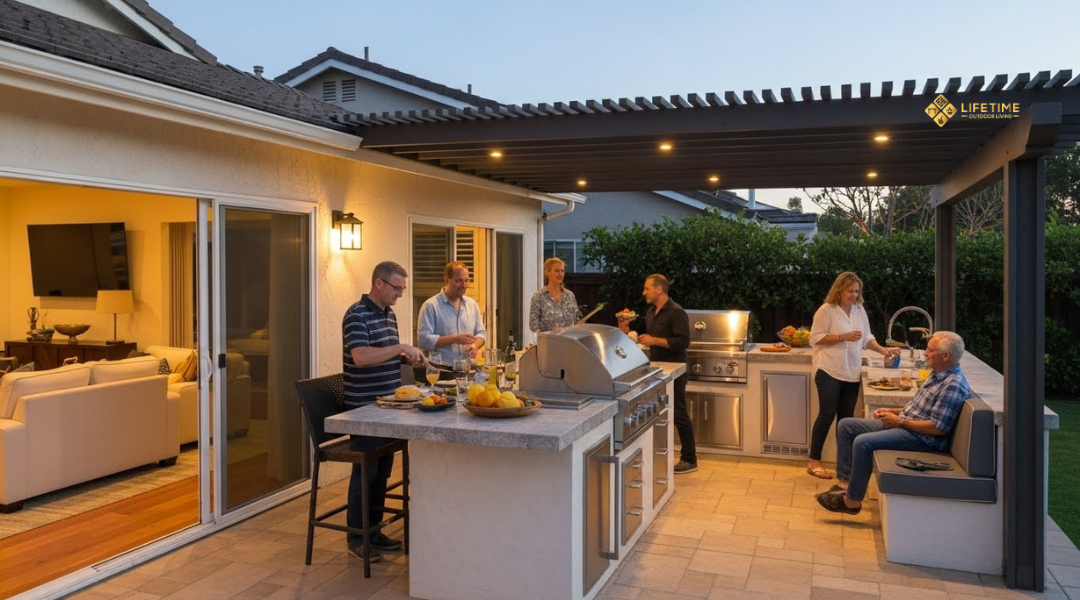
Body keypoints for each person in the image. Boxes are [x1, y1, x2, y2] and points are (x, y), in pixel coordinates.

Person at [816, 331, 970, 515]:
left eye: (930, 350)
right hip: (908, 425)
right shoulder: (937, 374)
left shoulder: (953, 384)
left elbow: (938, 428)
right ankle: (846, 484)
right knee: (846, 426)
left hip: (922, 438)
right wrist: (892, 412)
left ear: (946, 356)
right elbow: (917, 408)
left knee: (862, 442)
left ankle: (852, 501)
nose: (925, 353)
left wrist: (899, 422)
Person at [342, 261, 425, 563]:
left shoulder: (388, 315)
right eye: (397, 288)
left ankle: (373, 532)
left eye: (403, 288)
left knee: (382, 473)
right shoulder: (356, 315)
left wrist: (407, 359)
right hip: (364, 408)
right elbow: (361, 357)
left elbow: (385, 356)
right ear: (379, 283)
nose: (400, 294)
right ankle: (356, 537)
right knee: (366, 472)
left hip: (388, 406)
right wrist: (400, 345)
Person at [806, 271, 900, 480]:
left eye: (857, 291)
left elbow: (866, 338)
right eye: (850, 291)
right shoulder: (827, 311)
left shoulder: (859, 310)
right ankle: (814, 462)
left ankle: (844, 468)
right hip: (829, 369)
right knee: (826, 415)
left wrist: (884, 350)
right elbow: (815, 339)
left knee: (846, 421)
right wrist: (842, 337)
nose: (854, 295)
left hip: (851, 372)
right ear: (839, 290)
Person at [618, 274, 695, 473]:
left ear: (658, 289)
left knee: (678, 413)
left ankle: (690, 459)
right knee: (659, 412)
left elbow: (683, 341)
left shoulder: (676, 312)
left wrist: (655, 341)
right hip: (657, 370)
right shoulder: (652, 312)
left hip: (675, 370)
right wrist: (626, 330)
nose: (644, 292)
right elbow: (640, 335)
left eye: (647, 288)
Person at [417, 261, 486, 366]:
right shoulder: (431, 306)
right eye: (458, 281)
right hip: (440, 369)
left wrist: (475, 346)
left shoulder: (472, 305)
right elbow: (423, 340)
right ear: (446, 280)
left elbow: (481, 333)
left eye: (466, 281)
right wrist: (454, 339)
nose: (464, 285)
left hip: (467, 368)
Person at [529, 257, 582, 333]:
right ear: (547, 272)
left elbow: (576, 319)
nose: (560, 274)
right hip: (549, 342)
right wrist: (550, 334)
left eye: (562, 271)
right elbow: (533, 325)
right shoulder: (538, 296)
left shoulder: (570, 295)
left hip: (569, 342)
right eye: (557, 271)